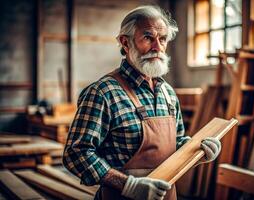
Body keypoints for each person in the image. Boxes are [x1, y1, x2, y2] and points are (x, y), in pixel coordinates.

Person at [63, 5, 221, 200]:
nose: (157, 47)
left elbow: (175, 144)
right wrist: (128, 186)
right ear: (125, 42)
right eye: (148, 38)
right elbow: (76, 153)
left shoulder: (168, 93)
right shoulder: (102, 93)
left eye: (162, 39)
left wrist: (197, 151)